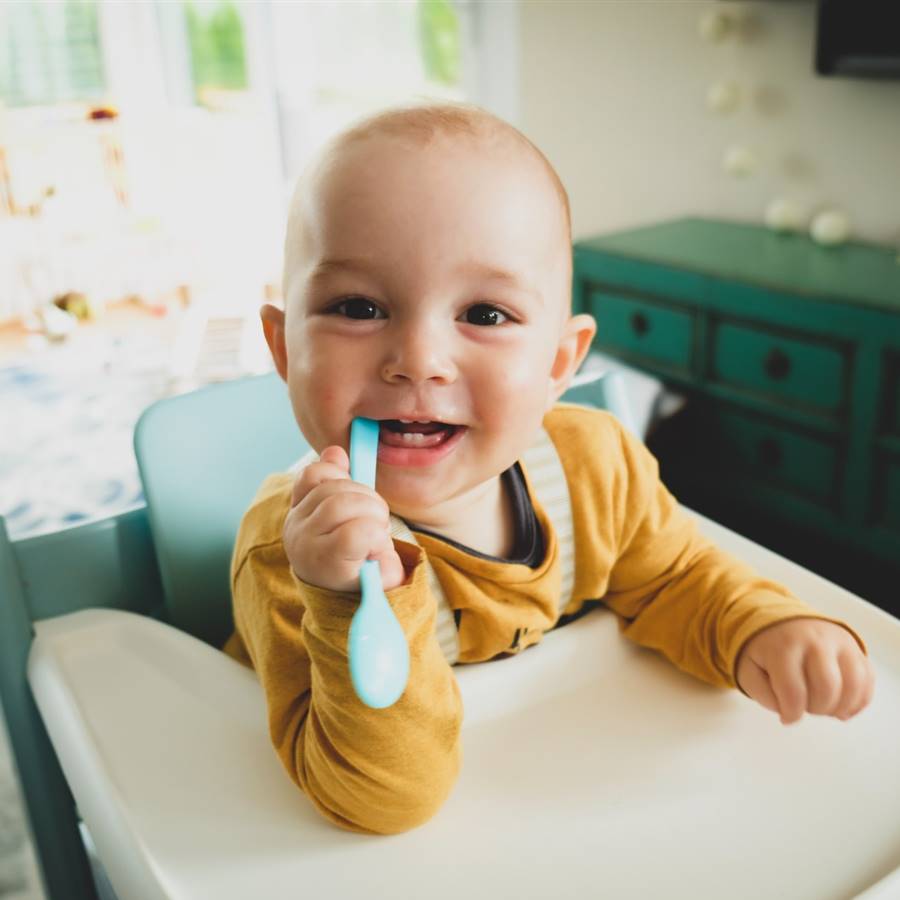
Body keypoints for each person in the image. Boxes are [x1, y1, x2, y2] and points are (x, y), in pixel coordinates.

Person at [222, 102, 874, 836]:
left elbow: (674, 578)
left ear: (562, 362)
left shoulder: (593, 467)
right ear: (283, 349)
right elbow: (379, 799)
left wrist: (762, 628)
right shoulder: (289, 555)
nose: (419, 361)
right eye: (357, 306)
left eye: (486, 314)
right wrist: (346, 597)